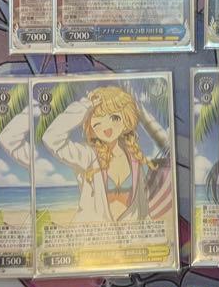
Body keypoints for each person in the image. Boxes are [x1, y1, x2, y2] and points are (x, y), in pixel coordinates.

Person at [40, 86, 163, 223]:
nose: (106, 128)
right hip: (90, 232)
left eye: (114, 118)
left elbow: (142, 209)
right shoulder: (87, 155)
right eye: (97, 123)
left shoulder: (134, 156)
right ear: (91, 128)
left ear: (126, 119)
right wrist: (85, 106)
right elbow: (51, 138)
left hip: (126, 234)